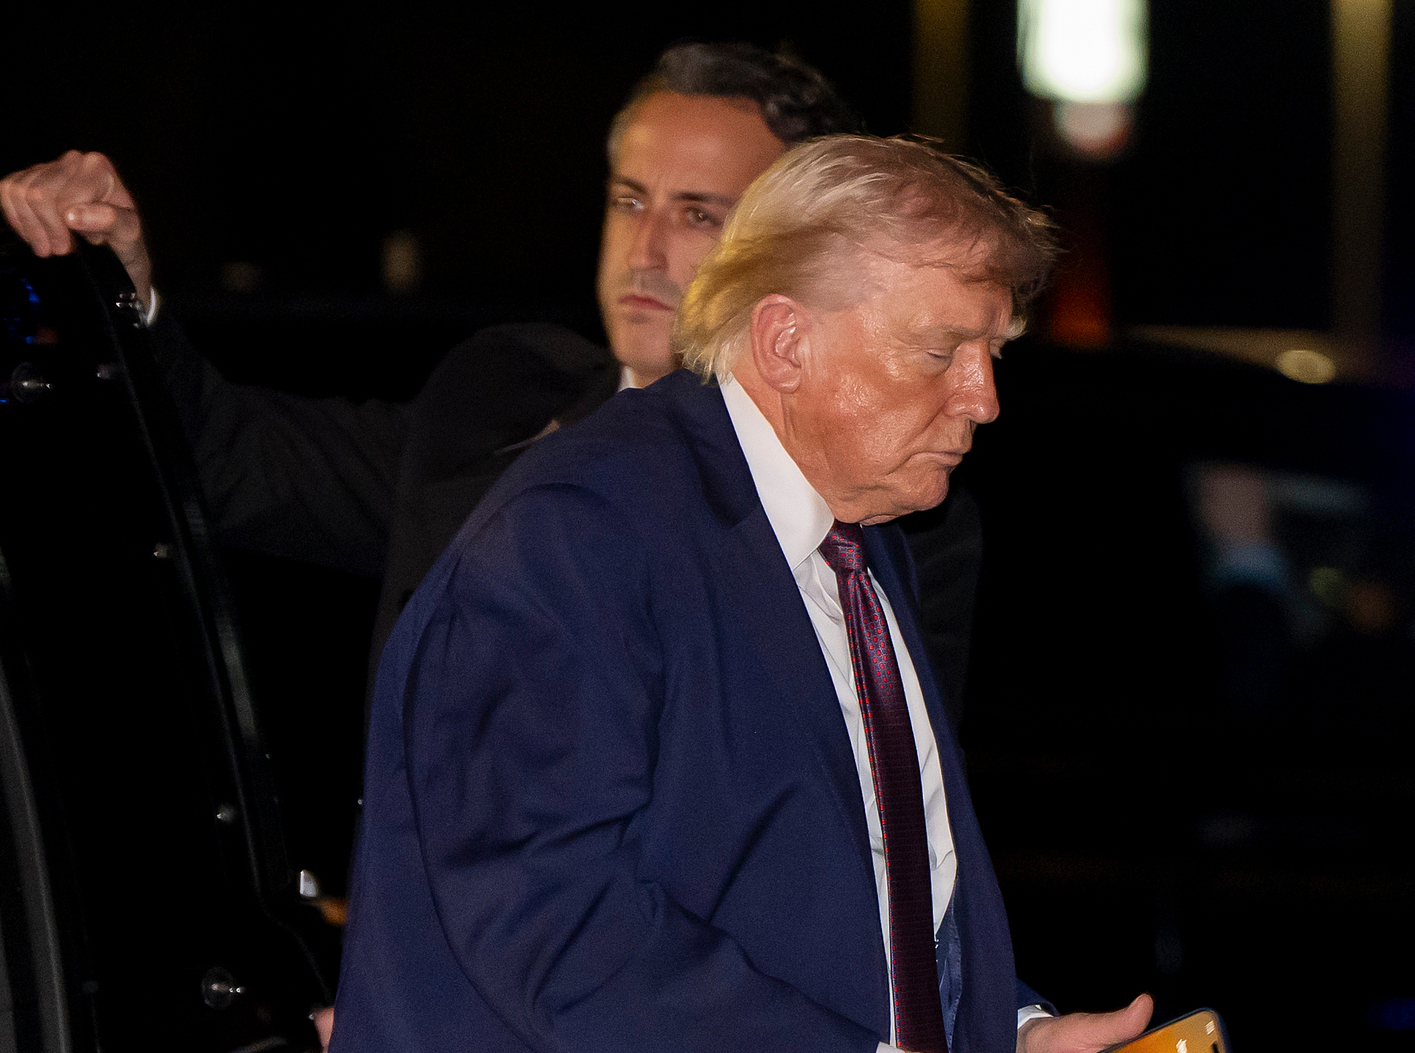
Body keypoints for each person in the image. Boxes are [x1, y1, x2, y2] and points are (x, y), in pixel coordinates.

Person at [332, 135, 1150, 1053]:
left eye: (992, 350)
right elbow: (549, 917)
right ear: (786, 341)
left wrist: (1008, 1028)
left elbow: (857, 886)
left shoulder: (860, 541)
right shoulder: (579, 533)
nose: (984, 396)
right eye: (942, 350)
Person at [0, 43, 981, 718]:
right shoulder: (502, 400)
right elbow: (230, 460)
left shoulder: (883, 498)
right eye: (629, 199)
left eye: (697, 215)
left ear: (800, 259)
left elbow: (852, 848)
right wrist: (119, 290)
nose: (644, 250)